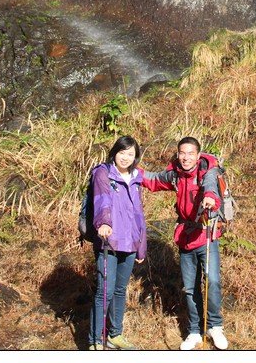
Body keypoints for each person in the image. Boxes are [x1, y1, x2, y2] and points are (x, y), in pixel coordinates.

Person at [141, 136, 228, 350]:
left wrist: (209, 197)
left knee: (212, 281)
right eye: (182, 153)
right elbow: (154, 180)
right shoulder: (175, 174)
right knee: (190, 288)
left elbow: (210, 187)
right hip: (185, 237)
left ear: (198, 156)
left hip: (206, 235)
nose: (186, 157)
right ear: (178, 154)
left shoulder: (207, 171)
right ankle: (194, 331)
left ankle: (215, 326)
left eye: (190, 153)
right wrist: (130, 171)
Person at [86, 135, 147, 350]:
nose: (125, 157)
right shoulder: (103, 173)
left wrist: (141, 245)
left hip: (130, 243)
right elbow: (102, 199)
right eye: (122, 152)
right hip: (108, 240)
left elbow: (138, 214)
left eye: (130, 154)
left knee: (120, 290)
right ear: (114, 152)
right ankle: (96, 340)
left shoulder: (136, 178)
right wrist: (104, 223)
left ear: (135, 157)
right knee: (105, 291)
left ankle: (115, 334)